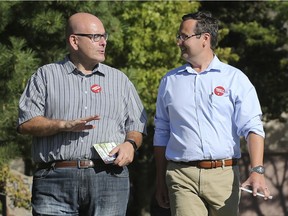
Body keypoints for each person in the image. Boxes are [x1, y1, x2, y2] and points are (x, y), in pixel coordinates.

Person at [17, 12, 147, 216]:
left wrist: (130, 145)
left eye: (104, 36)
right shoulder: (45, 75)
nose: (103, 42)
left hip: (109, 178)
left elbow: (137, 126)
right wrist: (63, 125)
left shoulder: (119, 80)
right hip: (56, 178)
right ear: (74, 41)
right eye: (96, 37)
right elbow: (26, 123)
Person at [153, 11, 271, 216]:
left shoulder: (235, 79)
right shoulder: (169, 81)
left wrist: (257, 170)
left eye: (183, 36)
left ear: (205, 38)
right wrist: (160, 180)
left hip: (223, 175)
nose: (178, 42)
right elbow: (162, 132)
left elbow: (253, 127)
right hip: (181, 175)